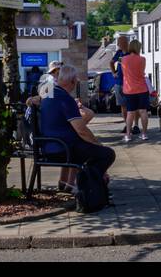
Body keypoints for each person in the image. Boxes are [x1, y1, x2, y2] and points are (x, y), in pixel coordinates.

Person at [36, 65, 116, 195]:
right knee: (107, 154)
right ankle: (89, 186)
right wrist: (97, 144)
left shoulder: (48, 94)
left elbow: (33, 100)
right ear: (72, 82)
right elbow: (81, 130)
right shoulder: (66, 99)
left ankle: (80, 183)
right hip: (62, 149)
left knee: (88, 150)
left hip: (48, 146)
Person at [119, 40, 151, 142]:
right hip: (142, 88)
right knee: (143, 111)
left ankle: (128, 135)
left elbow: (124, 73)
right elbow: (142, 72)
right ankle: (144, 134)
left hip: (129, 90)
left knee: (130, 113)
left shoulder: (123, 59)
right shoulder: (143, 59)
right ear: (138, 48)